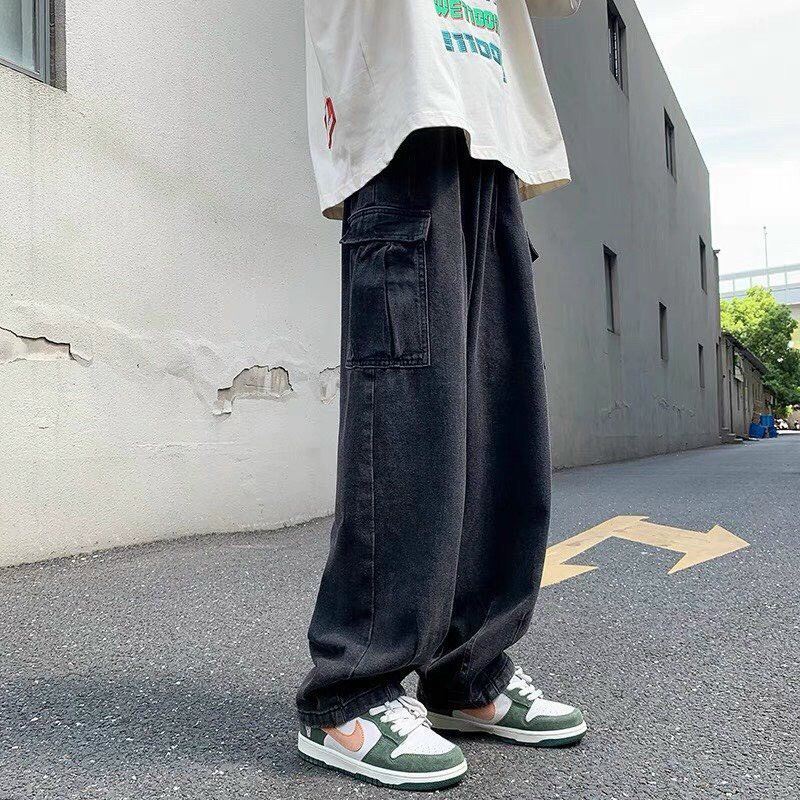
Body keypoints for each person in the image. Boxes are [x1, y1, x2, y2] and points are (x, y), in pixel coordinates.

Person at [297, 0, 586, 789]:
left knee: (500, 416)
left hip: (493, 128)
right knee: (409, 411)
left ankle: (469, 672)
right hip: (402, 113)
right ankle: (350, 690)